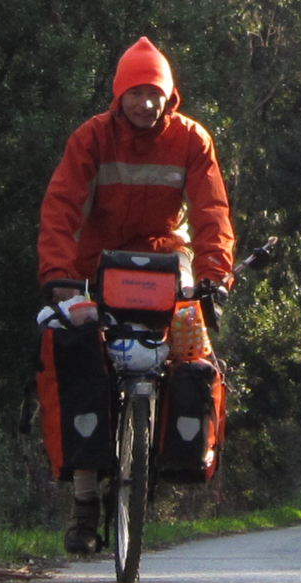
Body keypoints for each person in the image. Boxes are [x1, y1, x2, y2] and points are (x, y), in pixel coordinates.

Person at [37, 36, 236, 554]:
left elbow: (212, 211)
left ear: (169, 96)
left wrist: (214, 275)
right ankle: (84, 505)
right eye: (136, 92)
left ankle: (171, 453)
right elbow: (61, 206)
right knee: (77, 357)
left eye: (155, 93)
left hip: (167, 266)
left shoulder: (192, 140)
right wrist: (59, 274)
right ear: (118, 94)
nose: (146, 103)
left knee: (195, 355)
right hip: (96, 270)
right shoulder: (91, 139)